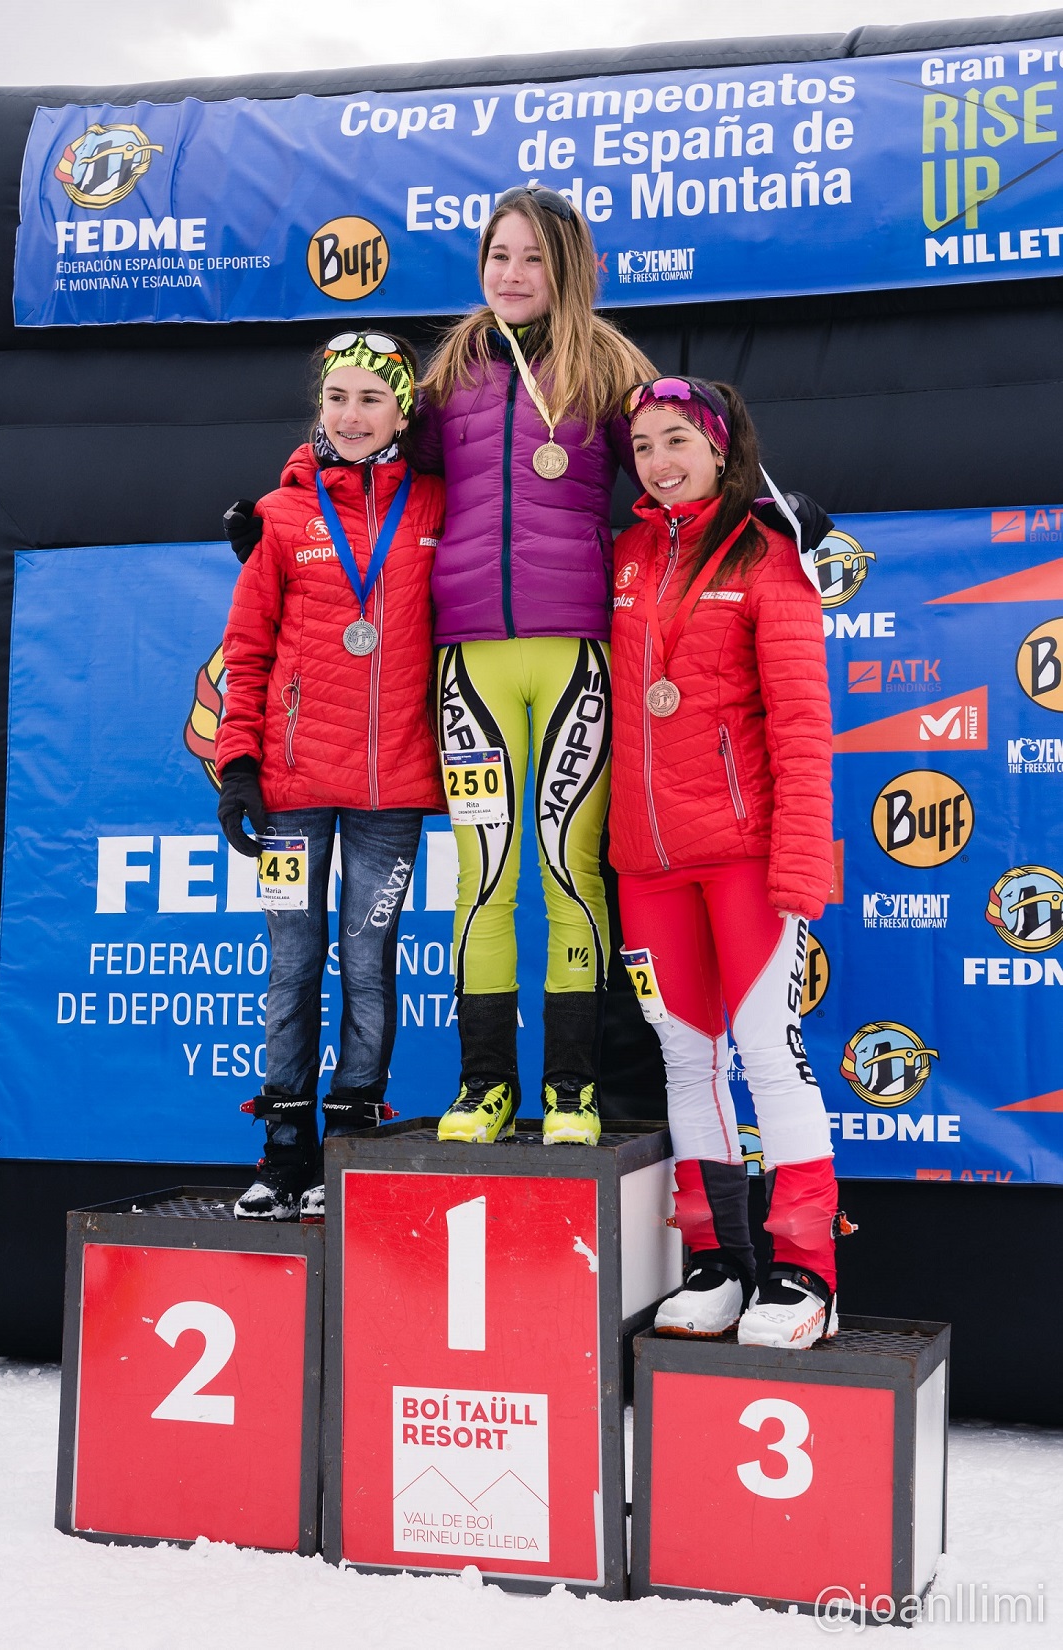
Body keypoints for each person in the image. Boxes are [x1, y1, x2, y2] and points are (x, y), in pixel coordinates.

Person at [417, 186, 658, 1146]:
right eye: (498, 256)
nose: (512, 275)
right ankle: (483, 1086)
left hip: (575, 653)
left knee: (570, 868)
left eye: (532, 258)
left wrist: (768, 507)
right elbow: (373, 464)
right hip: (469, 655)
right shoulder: (448, 374)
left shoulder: (611, 368)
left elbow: (681, 462)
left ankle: (571, 1088)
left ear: (567, 268)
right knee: (487, 872)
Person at [608, 374, 844, 1350]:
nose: (660, 464)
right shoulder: (620, 552)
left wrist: (798, 866)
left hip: (744, 857)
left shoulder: (765, 551)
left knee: (767, 1057)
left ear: (719, 447)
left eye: (677, 442)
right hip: (648, 860)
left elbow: (799, 721)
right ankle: (715, 1261)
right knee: (685, 1059)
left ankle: (801, 1272)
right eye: (643, 449)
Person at [214, 331, 445, 1219]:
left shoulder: (433, 504)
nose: (351, 415)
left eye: (371, 399)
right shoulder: (279, 516)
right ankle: (282, 1149)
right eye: (337, 397)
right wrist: (237, 763)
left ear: (401, 411)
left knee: (368, 960)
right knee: (291, 962)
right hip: (294, 783)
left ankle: (346, 1144)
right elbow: (248, 646)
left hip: (393, 785)